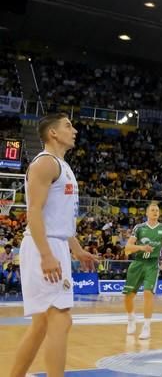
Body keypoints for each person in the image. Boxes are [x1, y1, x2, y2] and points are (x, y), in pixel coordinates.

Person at [9, 113, 98, 377]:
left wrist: (77, 249)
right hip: (42, 246)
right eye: (68, 126)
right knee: (61, 319)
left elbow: (58, 219)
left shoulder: (63, 166)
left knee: (40, 325)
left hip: (54, 243)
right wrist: (47, 255)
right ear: (53, 134)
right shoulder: (45, 164)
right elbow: (34, 212)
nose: (75, 130)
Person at [123, 202, 162, 340]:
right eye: (152, 210)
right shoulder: (139, 228)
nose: (155, 212)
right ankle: (131, 318)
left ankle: (146, 327)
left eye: (157, 210)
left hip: (152, 264)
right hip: (138, 263)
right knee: (128, 297)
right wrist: (141, 248)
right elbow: (127, 248)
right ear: (147, 213)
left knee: (147, 294)